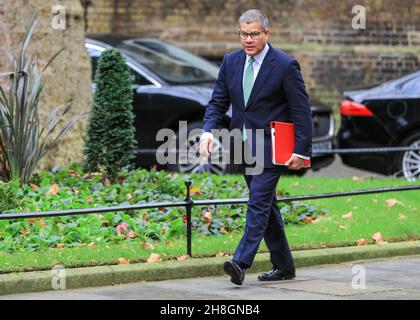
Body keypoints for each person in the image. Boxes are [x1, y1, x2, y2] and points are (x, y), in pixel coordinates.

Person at [199, 9, 313, 285]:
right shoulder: (231, 62)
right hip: (243, 146)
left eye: (254, 34)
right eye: (243, 35)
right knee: (267, 205)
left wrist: (302, 151)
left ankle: (240, 262)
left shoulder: (285, 65)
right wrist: (207, 132)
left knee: (258, 202)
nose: (248, 40)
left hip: (273, 148)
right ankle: (284, 265)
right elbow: (217, 103)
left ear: (266, 33)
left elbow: (301, 111)